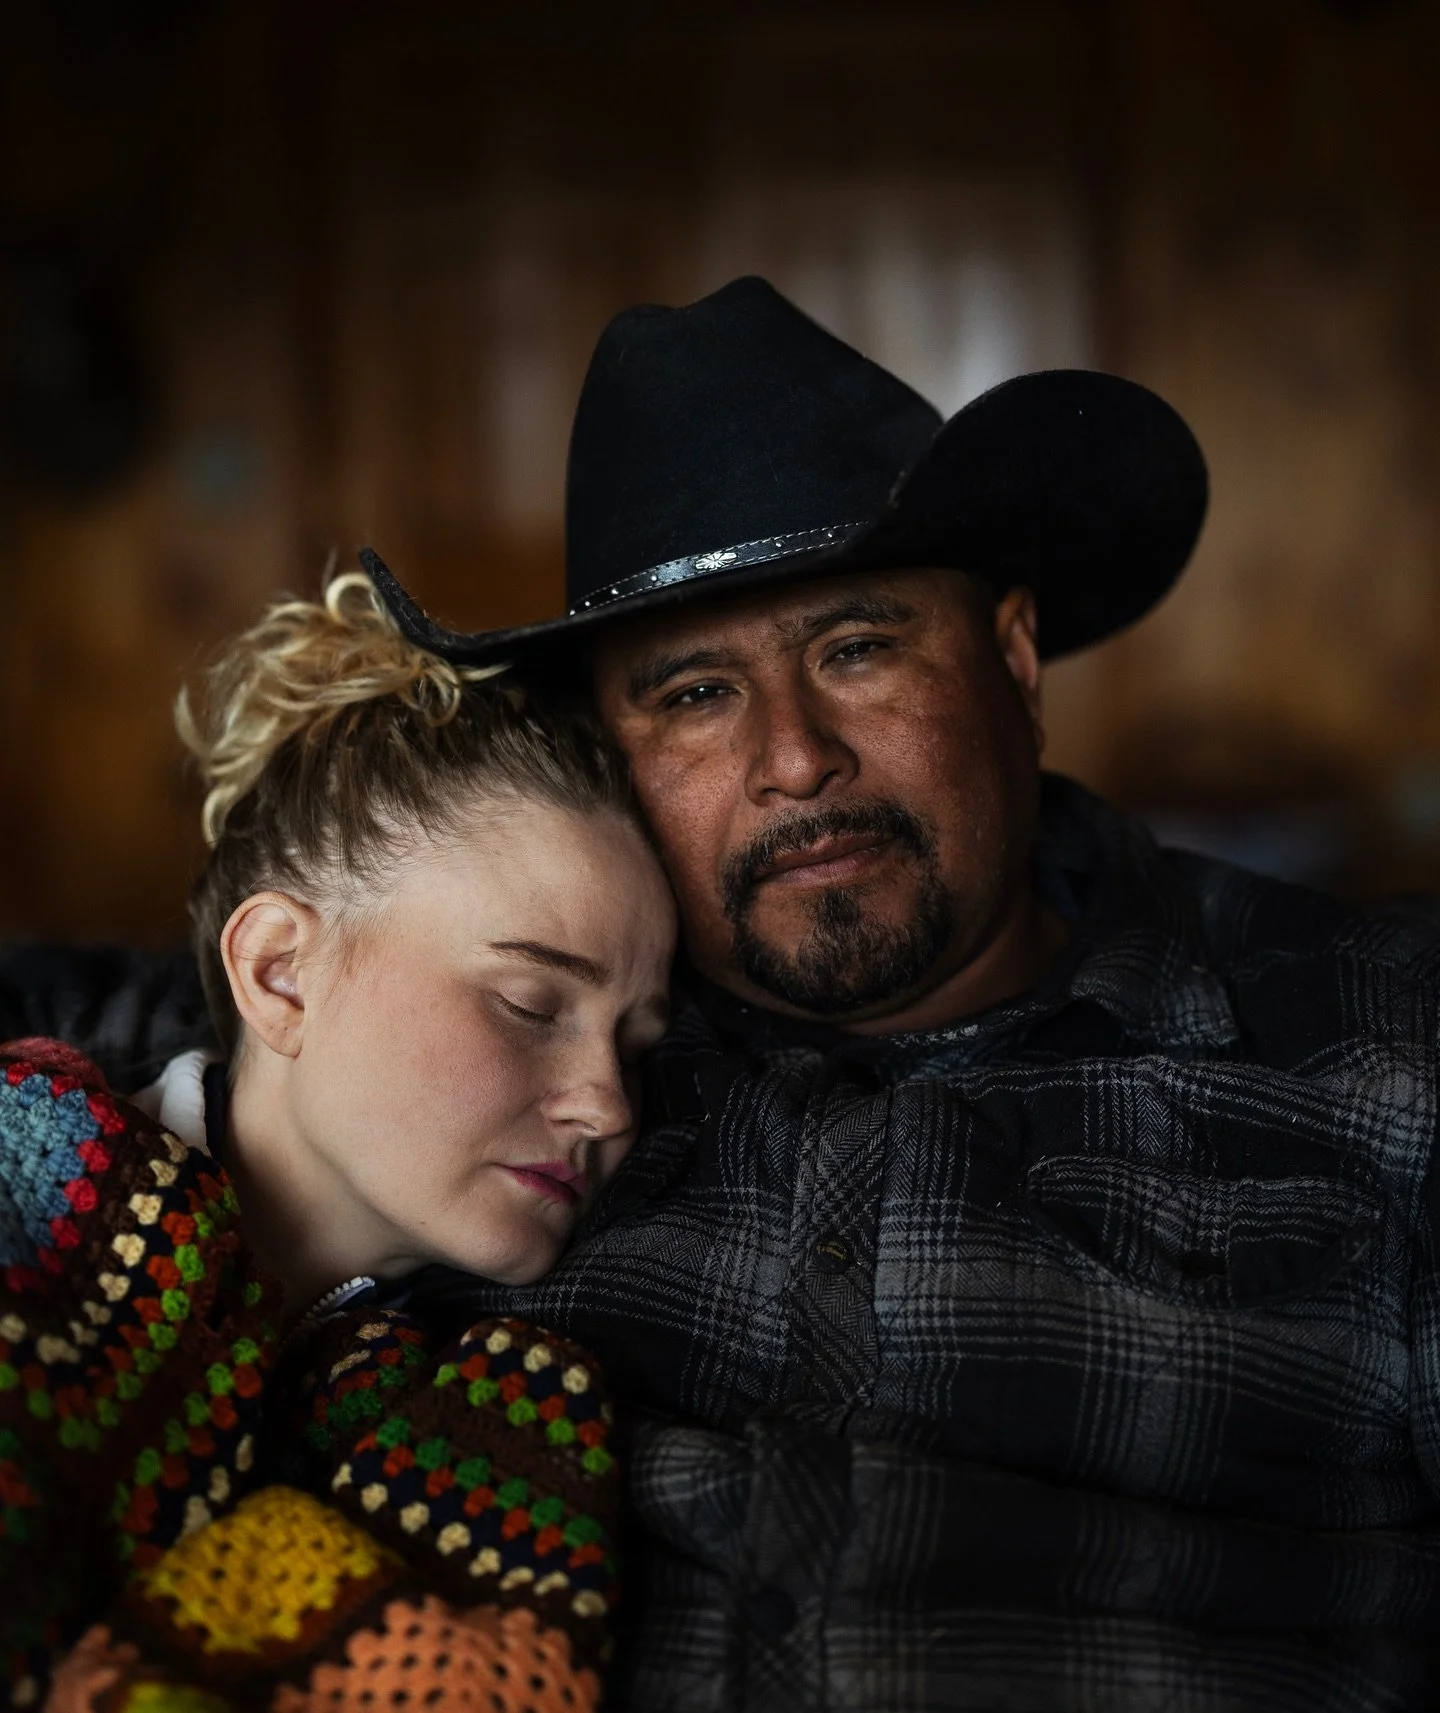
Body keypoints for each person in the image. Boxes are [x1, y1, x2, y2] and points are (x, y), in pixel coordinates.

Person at [7, 276, 1440, 1712]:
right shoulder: (496, 1026)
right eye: (694, 693)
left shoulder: (1376, 1042)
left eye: (857, 649)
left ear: (1012, 658)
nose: (795, 758)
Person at [0, 571, 675, 1709]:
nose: (607, 1105)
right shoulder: (33, 1171)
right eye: (529, 1004)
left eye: (637, 1046)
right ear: (280, 974)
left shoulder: (485, 1418)